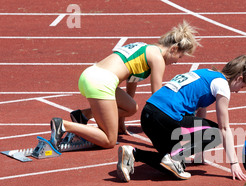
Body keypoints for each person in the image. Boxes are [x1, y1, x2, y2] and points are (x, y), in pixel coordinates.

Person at [49, 21, 200, 149]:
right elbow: (157, 97)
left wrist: (121, 122)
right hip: (102, 81)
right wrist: (161, 132)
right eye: (179, 57)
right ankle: (63, 125)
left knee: (131, 107)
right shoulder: (158, 59)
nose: (176, 62)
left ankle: (82, 115)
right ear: (173, 49)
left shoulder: (144, 49)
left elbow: (131, 84)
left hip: (90, 74)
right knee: (108, 140)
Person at [116, 55, 246, 181]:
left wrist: (199, 154)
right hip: (166, 116)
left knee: (173, 166)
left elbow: (201, 109)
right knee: (215, 133)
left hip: (148, 115)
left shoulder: (205, 73)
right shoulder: (222, 84)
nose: (237, 91)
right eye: (241, 87)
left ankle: (133, 154)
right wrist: (234, 163)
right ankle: (172, 157)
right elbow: (224, 128)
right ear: (239, 78)